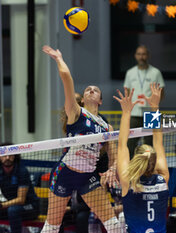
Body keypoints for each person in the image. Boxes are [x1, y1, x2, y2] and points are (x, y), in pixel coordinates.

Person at [41, 45, 119, 233]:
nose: (91, 90)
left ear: (100, 100)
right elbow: (67, 79)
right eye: (88, 90)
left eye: (95, 90)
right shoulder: (76, 112)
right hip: (65, 173)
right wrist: (59, 58)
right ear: (82, 99)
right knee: (52, 227)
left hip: (87, 177)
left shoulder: (106, 127)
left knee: (114, 225)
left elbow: (114, 156)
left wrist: (112, 169)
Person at [113, 84, 169, 233]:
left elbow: (122, 145)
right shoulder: (163, 179)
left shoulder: (129, 182)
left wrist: (126, 112)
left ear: (136, 159)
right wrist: (154, 107)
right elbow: (158, 140)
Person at [124, 45, 165, 157]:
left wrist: (153, 106)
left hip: (151, 113)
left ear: (148, 56)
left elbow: (161, 92)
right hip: (134, 113)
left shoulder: (155, 72)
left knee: (152, 143)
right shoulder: (130, 72)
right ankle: (131, 166)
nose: (141, 56)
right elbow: (126, 93)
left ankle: (150, 168)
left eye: (144, 54)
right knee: (130, 143)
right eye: (139, 54)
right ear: (135, 56)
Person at [0, 143, 40, 233]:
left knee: (13, 210)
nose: (7, 157)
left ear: (15, 156)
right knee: (12, 210)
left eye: (10, 154)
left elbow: (21, 200)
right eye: (4, 154)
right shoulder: (0, 171)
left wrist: (2, 205)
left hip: (30, 207)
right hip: (11, 206)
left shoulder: (22, 171)